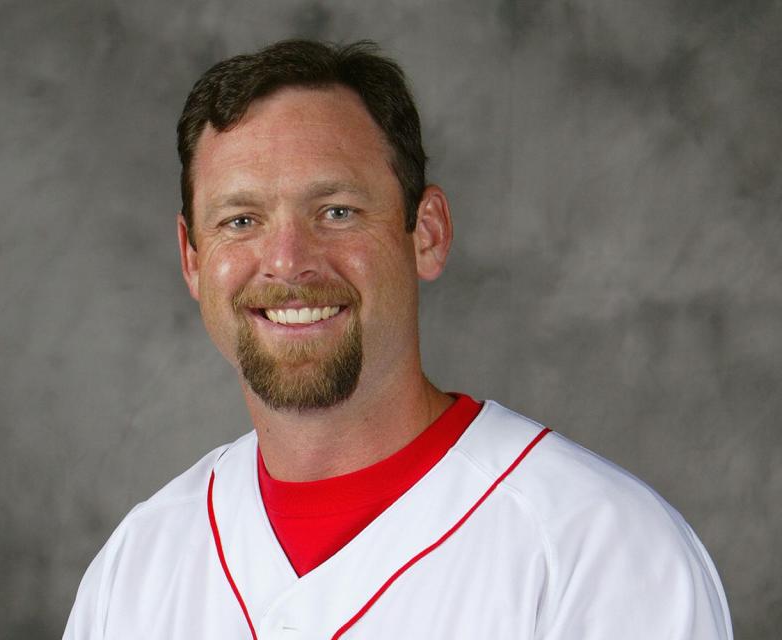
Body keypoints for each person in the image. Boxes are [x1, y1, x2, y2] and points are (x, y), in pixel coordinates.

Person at [63, 39, 732, 639]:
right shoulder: (138, 566)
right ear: (192, 259)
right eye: (241, 220)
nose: (289, 260)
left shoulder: (604, 553)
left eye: (337, 211)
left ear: (427, 233)